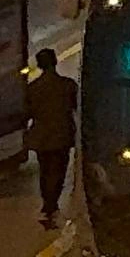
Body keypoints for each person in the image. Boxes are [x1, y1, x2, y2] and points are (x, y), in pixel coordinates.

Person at [26, 47, 76, 228]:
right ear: (55, 62)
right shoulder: (68, 85)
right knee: (58, 171)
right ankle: (51, 205)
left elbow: (28, 112)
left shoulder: (33, 88)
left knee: (45, 171)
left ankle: (48, 205)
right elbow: (77, 108)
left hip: (41, 137)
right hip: (61, 136)